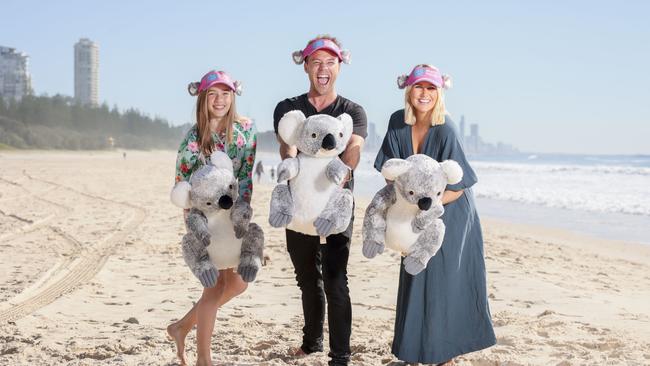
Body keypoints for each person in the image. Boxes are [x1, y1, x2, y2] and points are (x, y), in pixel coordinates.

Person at [374, 64, 496, 365]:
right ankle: (415, 350)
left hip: (451, 211)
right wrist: (406, 208)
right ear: (408, 90)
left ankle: (445, 354)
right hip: (413, 208)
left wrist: (427, 210)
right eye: (419, 87)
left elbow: (459, 185)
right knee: (414, 274)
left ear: (439, 92)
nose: (424, 94)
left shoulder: (447, 129)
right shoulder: (397, 121)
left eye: (431, 88)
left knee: (443, 279)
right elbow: (391, 171)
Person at [273, 35, 367, 366]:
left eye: (330, 62)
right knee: (306, 278)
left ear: (340, 66)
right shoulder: (288, 108)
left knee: (335, 280)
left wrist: (344, 168)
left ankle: (340, 355)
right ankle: (311, 341)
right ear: (306, 66)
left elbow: (354, 146)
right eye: (316, 62)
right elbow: (288, 146)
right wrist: (290, 158)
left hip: (335, 209)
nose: (323, 69)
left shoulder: (352, 111)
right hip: (299, 208)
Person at [167, 70, 257, 366]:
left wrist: (242, 220)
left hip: (233, 218)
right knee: (214, 286)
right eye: (213, 95)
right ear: (203, 99)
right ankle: (203, 359)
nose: (219, 101)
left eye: (225, 94)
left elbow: (245, 178)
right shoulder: (193, 139)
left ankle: (181, 327)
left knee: (239, 283)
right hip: (204, 221)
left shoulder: (246, 131)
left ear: (233, 97)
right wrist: (195, 228)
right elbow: (183, 183)